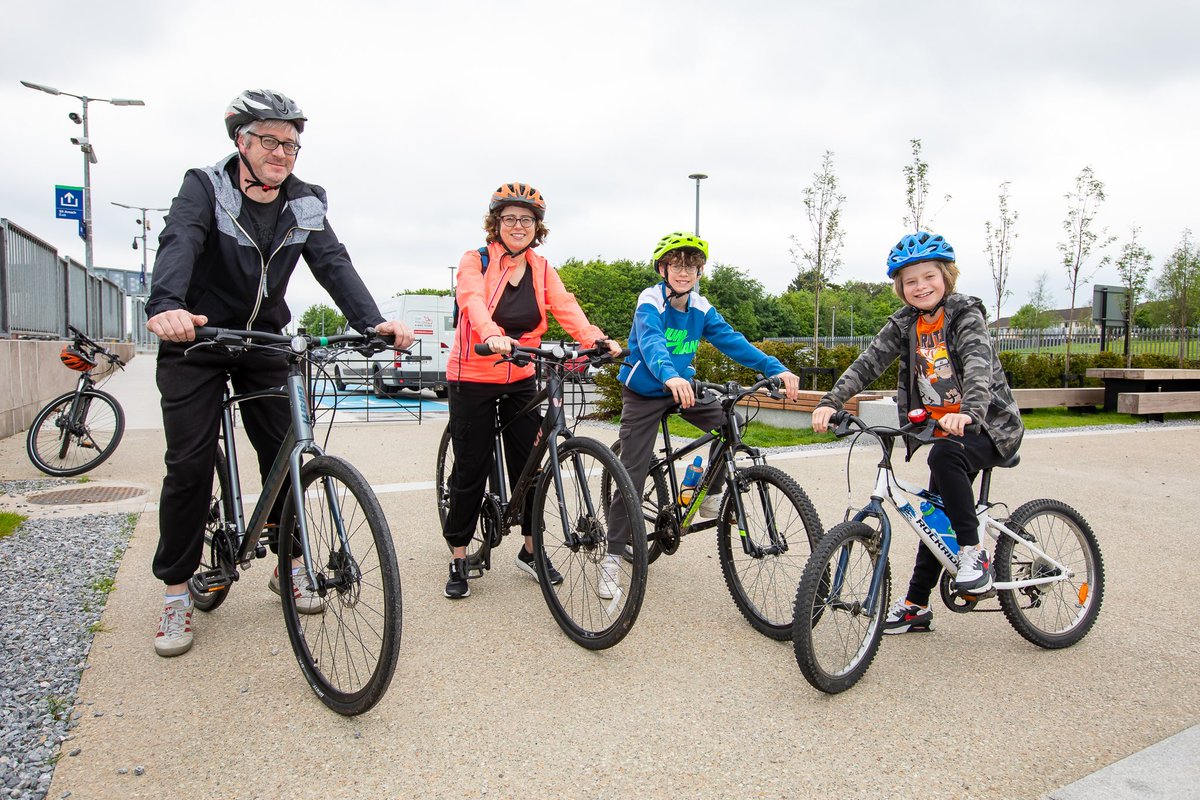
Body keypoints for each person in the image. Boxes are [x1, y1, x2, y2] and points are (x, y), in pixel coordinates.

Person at [144, 89, 413, 656]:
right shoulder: (205, 187)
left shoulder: (305, 201)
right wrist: (166, 304)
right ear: (240, 142)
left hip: (265, 338)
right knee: (189, 463)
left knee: (284, 453)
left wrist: (373, 322)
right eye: (270, 140)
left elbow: (333, 263)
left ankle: (288, 564)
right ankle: (175, 593)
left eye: (291, 143)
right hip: (197, 335)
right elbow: (180, 241)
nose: (283, 152)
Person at [811, 231, 1024, 634]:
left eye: (929, 276)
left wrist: (969, 412)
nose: (921, 286)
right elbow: (867, 363)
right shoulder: (906, 322)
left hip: (989, 426)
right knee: (932, 513)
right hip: (942, 428)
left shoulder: (965, 315)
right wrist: (830, 401)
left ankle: (973, 553)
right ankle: (916, 605)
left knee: (944, 459)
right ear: (900, 288)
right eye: (911, 281)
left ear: (946, 277)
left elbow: (979, 365)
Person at [442, 183, 620, 599]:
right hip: (474, 375)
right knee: (471, 468)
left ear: (537, 227)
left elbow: (566, 306)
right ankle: (459, 555)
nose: (518, 225)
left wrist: (595, 339)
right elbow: (472, 299)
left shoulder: (541, 268)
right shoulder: (477, 259)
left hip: (521, 376)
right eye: (510, 218)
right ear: (496, 223)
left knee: (532, 465)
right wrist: (491, 333)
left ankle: (530, 549)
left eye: (527, 219)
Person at [603, 232, 800, 598]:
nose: (684, 272)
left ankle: (710, 493)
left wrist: (775, 368)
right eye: (677, 265)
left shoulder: (700, 307)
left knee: (729, 422)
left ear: (700, 271)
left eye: (692, 265)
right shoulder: (650, 301)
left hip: (682, 387)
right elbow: (651, 342)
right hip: (646, 390)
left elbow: (733, 341)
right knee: (630, 472)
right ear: (663, 268)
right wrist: (669, 373)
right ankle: (613, 555)